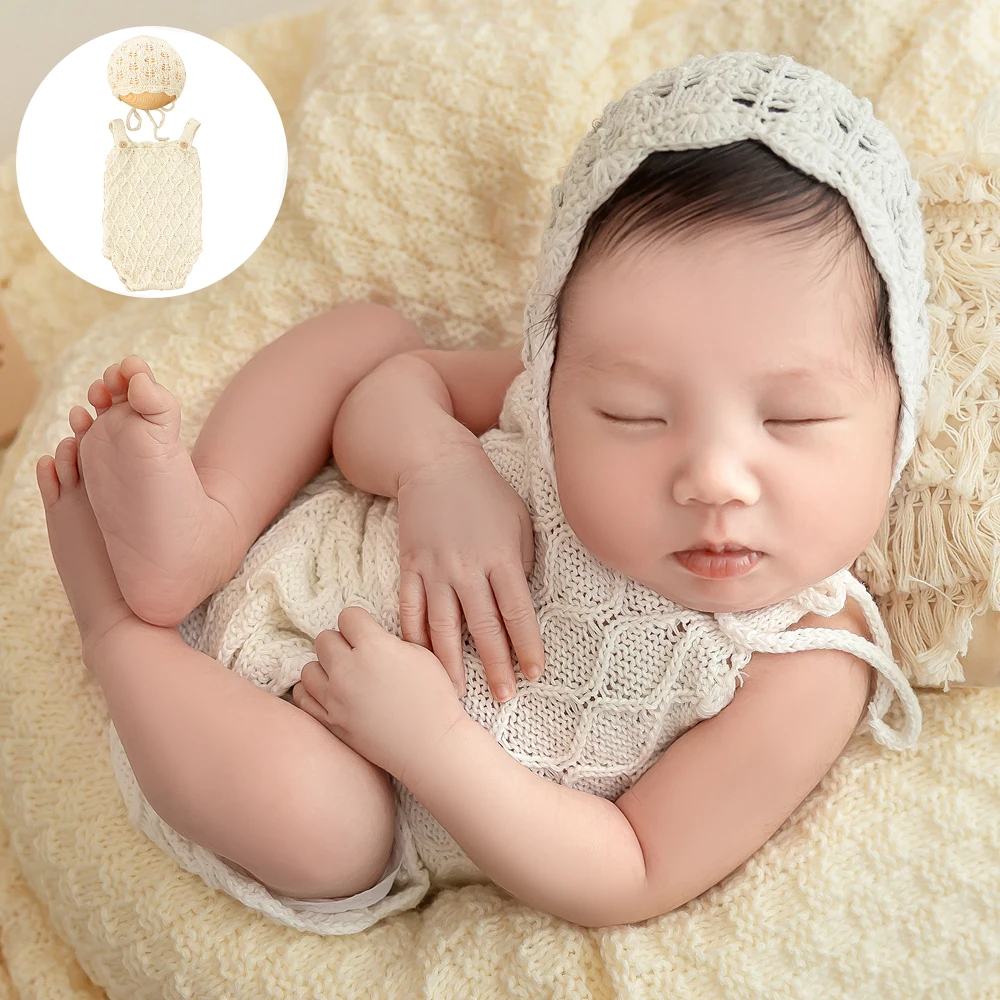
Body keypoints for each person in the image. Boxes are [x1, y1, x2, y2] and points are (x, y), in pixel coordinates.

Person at [35, 50, 929, 933]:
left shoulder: (807, 664)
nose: (713, 478)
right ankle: (206, 530)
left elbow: (632, 867)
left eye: (794, 421)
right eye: (634, 414)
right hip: (319, 547)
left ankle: (118, 628)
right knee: (369, 337)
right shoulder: (547, 406)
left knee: (329, 831)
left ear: (900, 417)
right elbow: (381, 399)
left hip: (334, 748)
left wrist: (434, 746)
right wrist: (437, 465)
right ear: (558, 369)